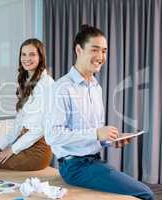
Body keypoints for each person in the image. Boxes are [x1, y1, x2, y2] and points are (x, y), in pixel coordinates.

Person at [45, 25, 154, 199]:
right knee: (146, 193)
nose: (101, 57)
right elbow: (53, 135)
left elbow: (91, 137)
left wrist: (108, 141)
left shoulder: (96, 87)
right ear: (79, 50)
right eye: (95, 50)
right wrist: (96, 133)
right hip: (74, 167)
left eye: (104, 51)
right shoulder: (61, 88)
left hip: (93, 161)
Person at [0, 38, 53, 171]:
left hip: (38, 149)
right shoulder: (28, 82)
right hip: (23, 142)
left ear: (41, 57)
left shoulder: (47, 84)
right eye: (23, 54)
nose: (26, 58)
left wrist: (12, 149)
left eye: (32, 54)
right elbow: (19, 123)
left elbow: (40, 129)